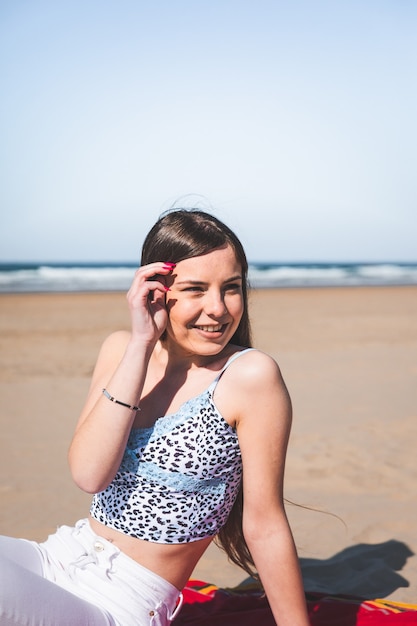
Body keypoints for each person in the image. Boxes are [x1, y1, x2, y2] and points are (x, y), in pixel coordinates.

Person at [0, 209, 310, 626]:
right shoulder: (122, 350)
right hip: (58, 557)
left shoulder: (249, 377)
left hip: (120, 602)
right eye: (196, 289)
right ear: (157, 291)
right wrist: (141, 343)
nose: (217, 309)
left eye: (231, 288)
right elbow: (89, 473)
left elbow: (265, 524)